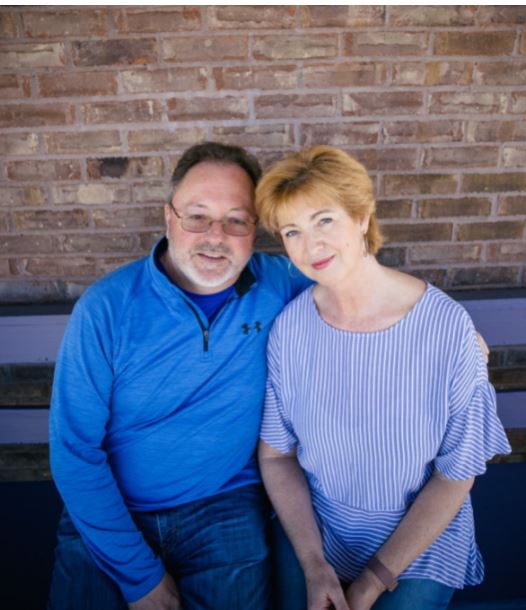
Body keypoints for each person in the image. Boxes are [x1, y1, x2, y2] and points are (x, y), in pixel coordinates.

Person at [47, 142, 311, 610]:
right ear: (168, 217)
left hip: (222, 506)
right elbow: (74, 451)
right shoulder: (105, 309)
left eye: (237, 219)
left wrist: (445, 328)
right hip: (112, 509)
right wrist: (140, 579)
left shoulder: (278, 283)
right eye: (197, 216)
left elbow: (358, 280)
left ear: (255, 230)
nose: (216, 236)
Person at [255, 145, 511, 610]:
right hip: (320, 533)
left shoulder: (446, 329)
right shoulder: (290, 328)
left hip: (420, 543)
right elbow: (276, 458)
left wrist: (373, 581)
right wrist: (314, 565)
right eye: (292, 231)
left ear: (361, 216)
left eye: (324, 220)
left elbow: (455, 477)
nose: (310, 245)